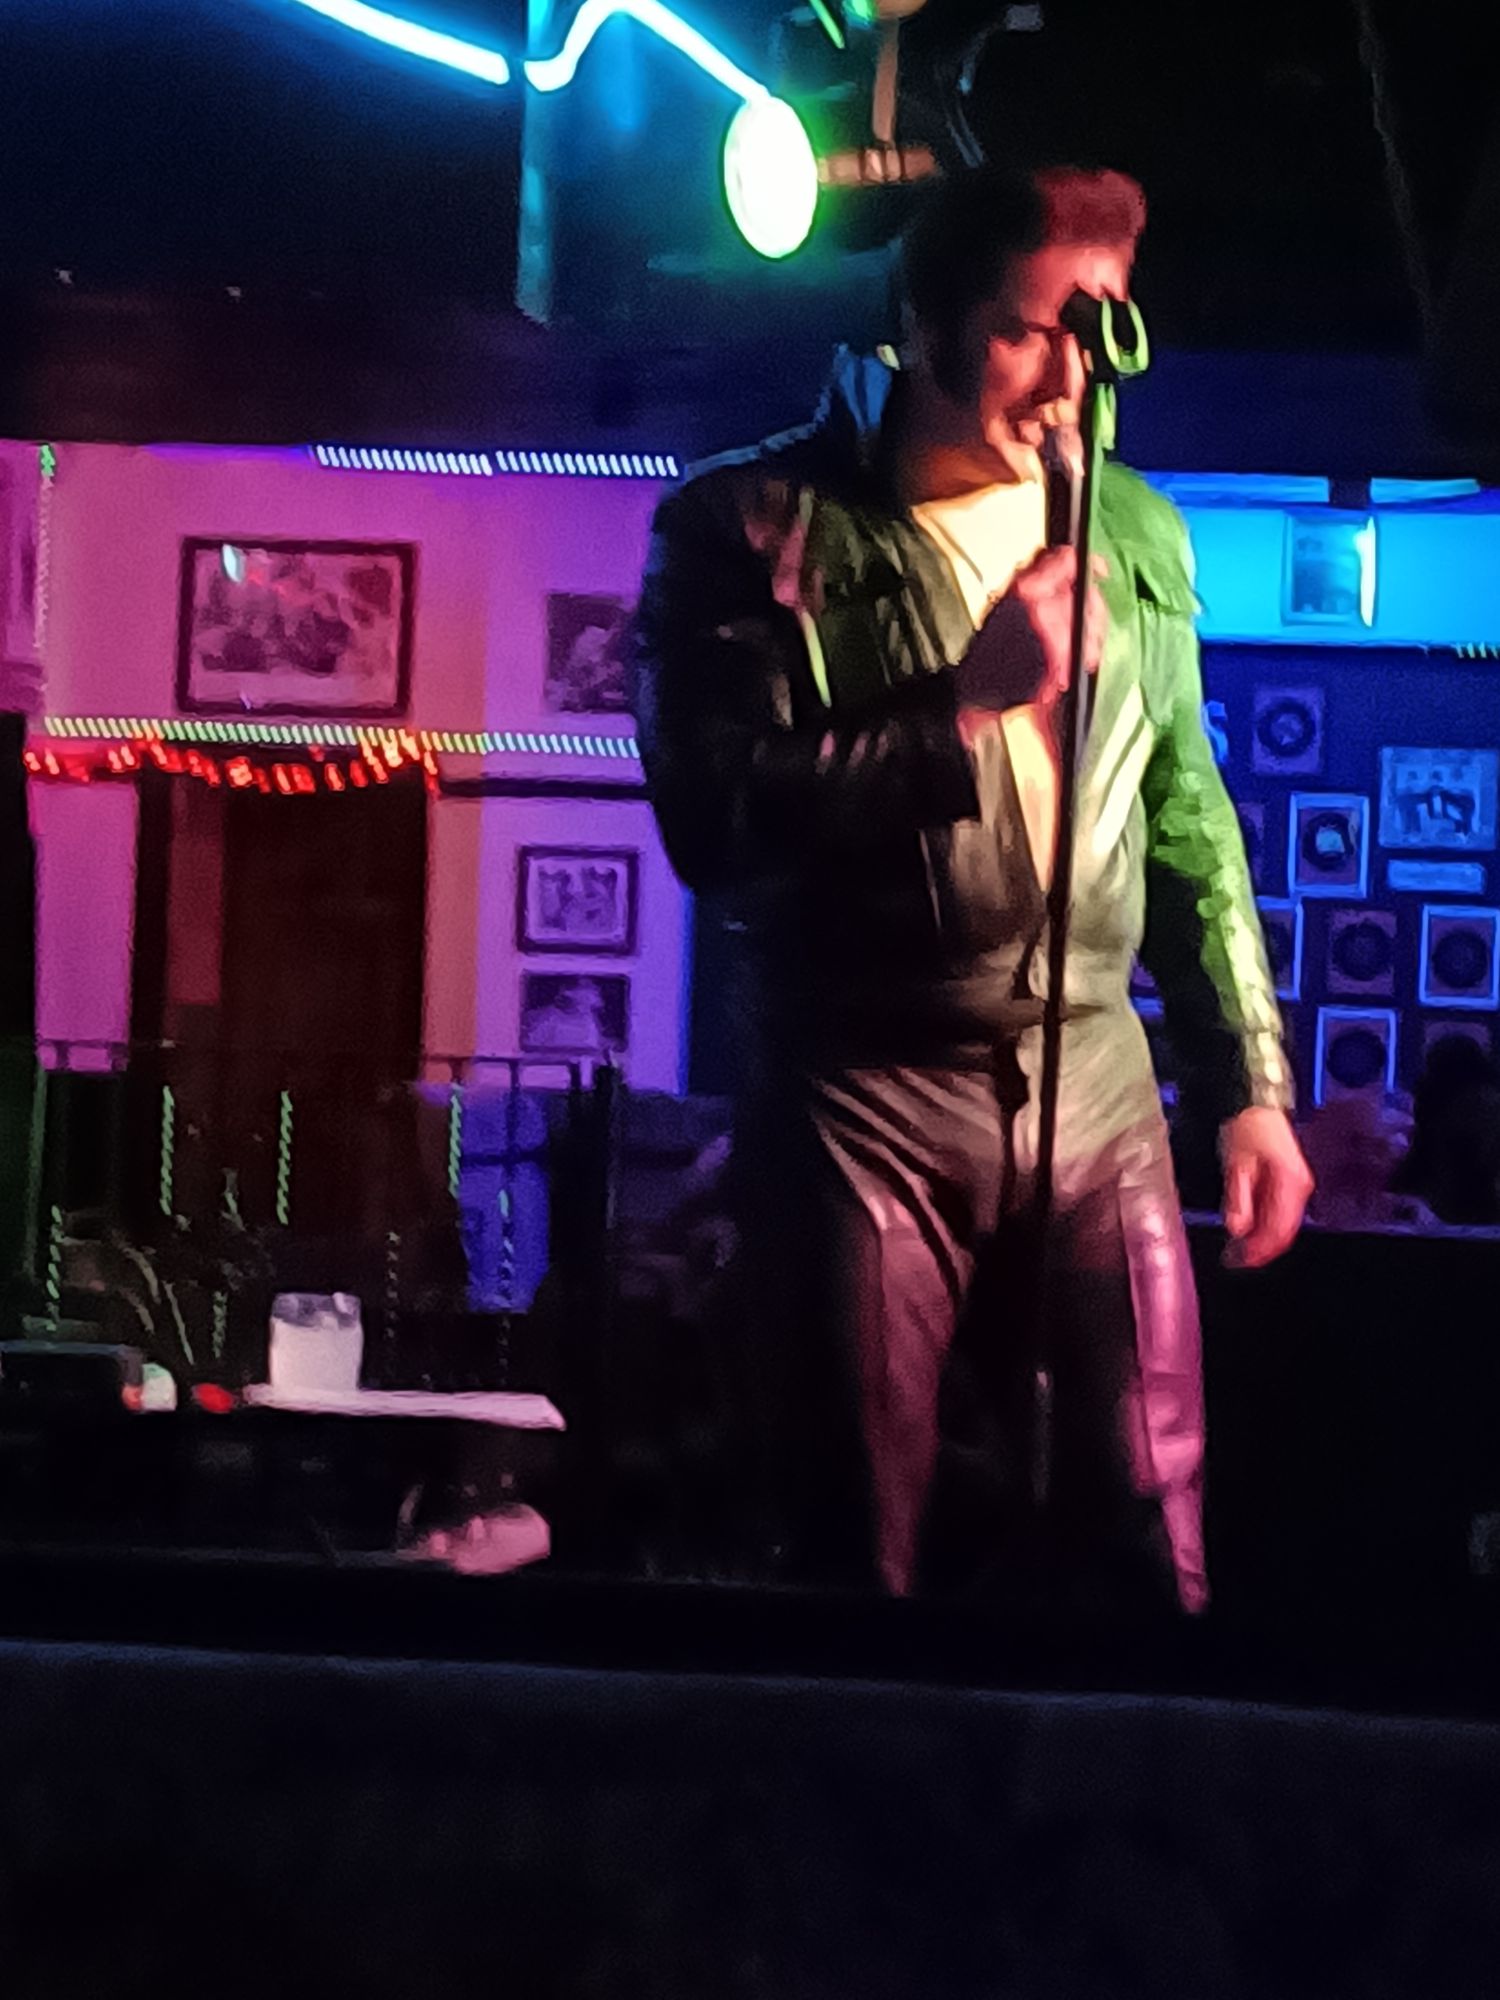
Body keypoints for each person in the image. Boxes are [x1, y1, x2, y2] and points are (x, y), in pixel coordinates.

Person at [631, 163, 1312, 1617]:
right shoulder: (749, 522)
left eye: (1097, 330)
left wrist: (1249, 1081)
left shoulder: (1135, 531)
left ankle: (1141, 1766)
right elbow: (713, 813)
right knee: (857, 1540)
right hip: (864, 1081)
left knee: (1150, 1518)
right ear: (926, 324)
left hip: (1099, 1076)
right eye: (1025, 331)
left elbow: (1186, 812)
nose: (1068, 378)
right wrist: (963, 708)